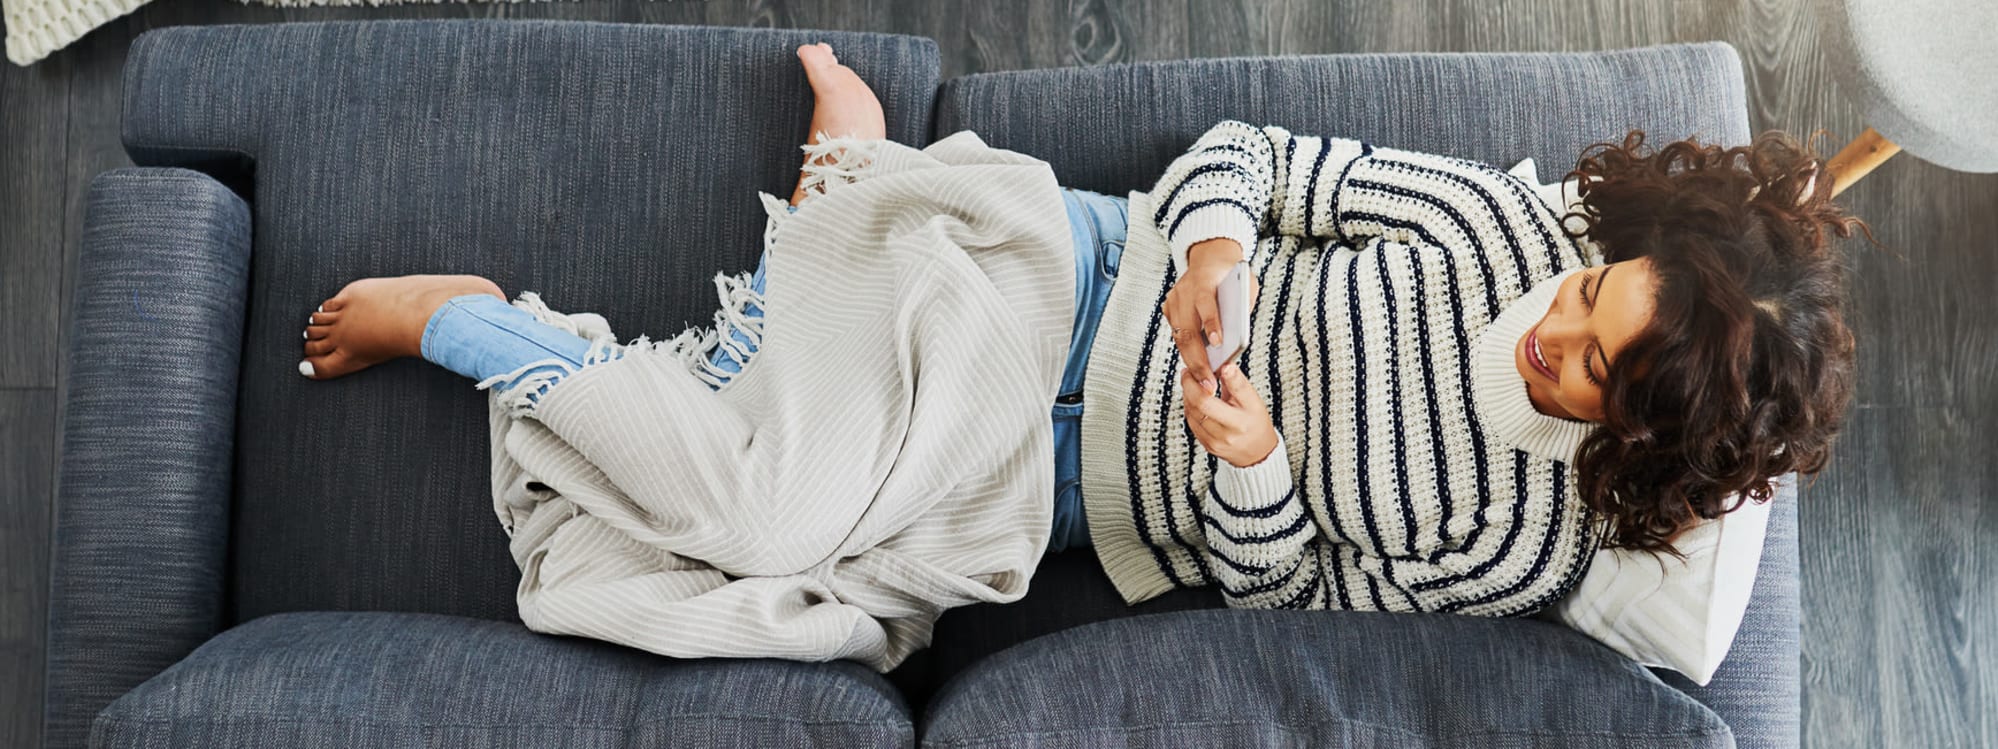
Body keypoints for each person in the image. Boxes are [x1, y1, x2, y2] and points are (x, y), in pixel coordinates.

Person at [296, 42, 1875, 616]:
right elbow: (1247, 156)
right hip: (1072, 278)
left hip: (1056, 491)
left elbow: (1283, 584)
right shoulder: (1500, 230)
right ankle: (480, 331)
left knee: (759, 565)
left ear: (1637, 437)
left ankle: (843, 180)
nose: (1551, 331)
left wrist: (1249, 466)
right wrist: (1209, 250)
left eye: (1590, 365)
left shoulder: (1523, 543)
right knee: (767, 508)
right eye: (1585, 296)